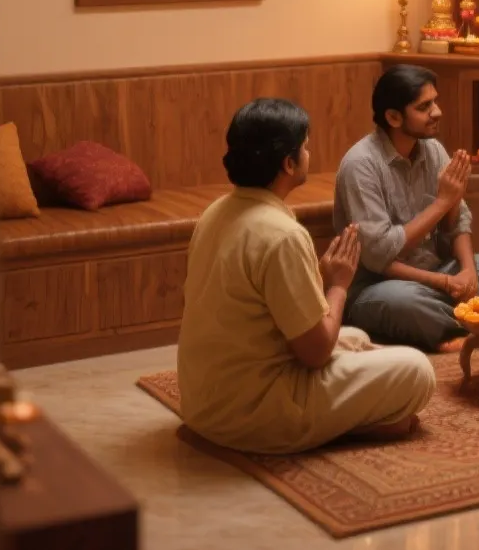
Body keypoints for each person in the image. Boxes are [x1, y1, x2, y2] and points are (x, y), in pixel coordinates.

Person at [176, 98, 434, 453]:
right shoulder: (281, 234)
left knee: (356, 337)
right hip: (251, 415)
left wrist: (320, 276)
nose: (309, 154)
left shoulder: (216, 212)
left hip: (204, 404)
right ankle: (354, 427)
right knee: (417, 369)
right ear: (288, 163)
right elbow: (315, 353)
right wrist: (339, 284)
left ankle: (352, 414)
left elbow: (260, 305)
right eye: (306, 147)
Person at [334, 65, 479, 352]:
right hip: (382, 286)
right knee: (406, 305)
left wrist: (468, 272)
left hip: (436, 275)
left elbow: (458, 224)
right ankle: (475, 326)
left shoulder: (432, 149)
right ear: (393, 117)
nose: (437, 112)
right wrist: (443, 203)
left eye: (435, 101)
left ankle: (455, 326)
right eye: (424, 106)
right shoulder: (361, 165)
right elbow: (380, 256)